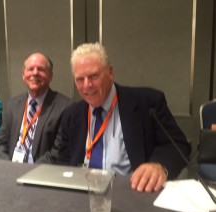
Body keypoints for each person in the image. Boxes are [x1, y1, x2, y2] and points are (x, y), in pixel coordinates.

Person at [37, 43, 191, 192]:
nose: (87, 85)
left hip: (132, 191)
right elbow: (65, 159)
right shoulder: (72, 114)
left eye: (94, 76)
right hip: (83, 193)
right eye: (80, 79)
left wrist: (158, 166)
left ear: (110, 72)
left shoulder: (147, 103)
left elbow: (178, 145)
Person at [0, 53, 72, 163]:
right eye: (30, 69)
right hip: (10, 167)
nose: (35, 73)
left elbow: (58, 151)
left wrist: (30, 171)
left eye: (41, 69)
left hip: (40, 172)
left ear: (50, 76)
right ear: (23, 75)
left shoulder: (65, 107)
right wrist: (7, 166)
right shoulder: (13, 104)